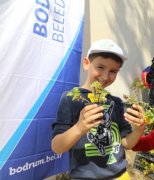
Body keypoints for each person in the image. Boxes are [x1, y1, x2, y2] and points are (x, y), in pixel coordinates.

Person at [51, 39, 145, 179]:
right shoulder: (71, 98)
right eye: (100, 67)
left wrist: (139, 129)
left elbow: (125, 143)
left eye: (113, 71)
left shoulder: (116, 102)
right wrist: (79, 127)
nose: (106, 76)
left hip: (120, 176)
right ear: (86, 63)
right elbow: (57, 146)